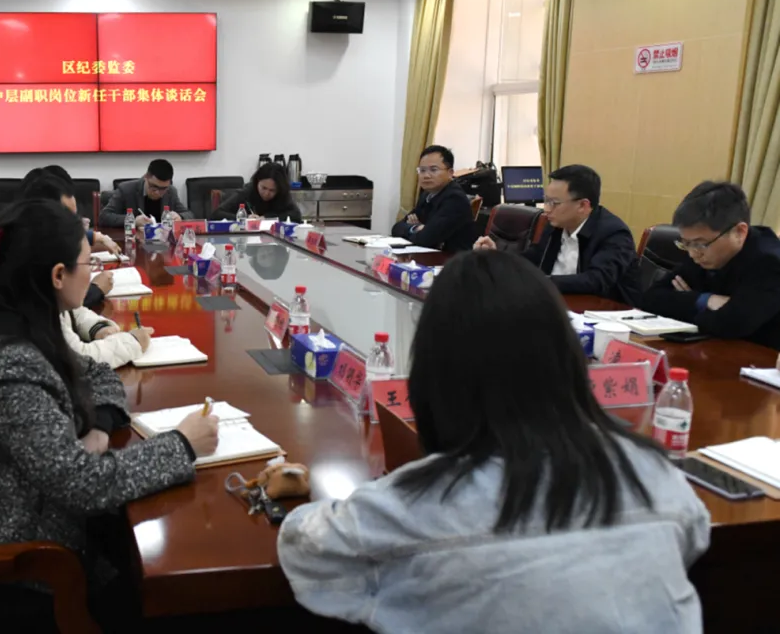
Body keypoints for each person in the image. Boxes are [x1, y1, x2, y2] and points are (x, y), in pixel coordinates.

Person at [278, 250, 709, 633]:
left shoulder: (416, 504)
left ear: (435, 375)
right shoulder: (654, 474)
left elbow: (305, 547)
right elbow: (694, 533)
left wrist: (294, 489)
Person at [0, 199, 218, 630]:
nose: (93, 274)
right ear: (57, 275)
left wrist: (102, 425)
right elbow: (83, 485)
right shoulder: (6, 361)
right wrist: (183, 445)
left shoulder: (30, 322)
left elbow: (96, 372)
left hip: (49, 536)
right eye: (87, 263)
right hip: (17, 572)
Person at [641, 181, 780, 349]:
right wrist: (705, 300)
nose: (692, 253)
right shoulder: (702, 252)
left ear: (739, 232)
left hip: (758, 358)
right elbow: (650, 299)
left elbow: (730, 325)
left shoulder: (770, 262)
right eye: (685, 243)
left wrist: (683, 303)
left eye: (700, 244)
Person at [474, 164, 639, 302]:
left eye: (554, 203)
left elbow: (596, 281)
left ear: (583, 205)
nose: (546, 209)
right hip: (556, 302)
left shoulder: (614, 234)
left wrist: (542, 281)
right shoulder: (556, 224)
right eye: (546, 200)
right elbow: (534, 257)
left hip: (601, 314)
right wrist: (498, 257)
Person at [390, 145, 477, 252]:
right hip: (428, 255)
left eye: (433, 170)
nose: (426, 175)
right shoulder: (427, 195)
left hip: (452, 259)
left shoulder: (455, 199)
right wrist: (416, 228)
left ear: (450, 173)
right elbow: (396, 228)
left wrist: (420, 230)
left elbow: (426, 239)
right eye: (422, 170)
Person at [99, 159, 192, 228]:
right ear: (146, 177)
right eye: (154, 186)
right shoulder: (126, 189)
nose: (158, 192)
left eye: (163, 188)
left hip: (162, 242)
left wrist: (180, 217)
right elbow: (104, 217)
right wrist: (133, 221)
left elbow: (189, 214)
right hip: (134, 240)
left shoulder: (171, 191)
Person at [212, 163, 303, 222]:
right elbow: (217, 214)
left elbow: (296, 215)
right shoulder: (247, 192)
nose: (266, 193)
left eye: (272, 190)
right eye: (263, 188)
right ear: (257, 182)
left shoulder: (282, 194)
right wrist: (245, 218)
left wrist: (266, 218)